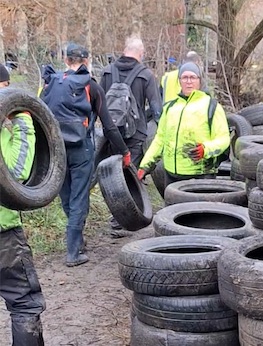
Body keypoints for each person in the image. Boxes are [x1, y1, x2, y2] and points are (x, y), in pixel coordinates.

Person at [40, 43, 130, 266]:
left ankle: (77, 241)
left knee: (67, 196)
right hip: (81, 148)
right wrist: (125, 151)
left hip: (55, 149)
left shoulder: (50, 82)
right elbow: (109, 127)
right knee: (79, 197)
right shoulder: (90, 85)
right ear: (87, 61)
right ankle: (73, 253)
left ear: (66, 60)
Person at [0, 63, 46, 345]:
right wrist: (24, 121)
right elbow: (17, 175)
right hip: (3, 234)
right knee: (24, 304)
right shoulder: (8, 135)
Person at [99, 36, 162, 230]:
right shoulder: (145, 75)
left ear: (124, 50)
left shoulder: (107, 71)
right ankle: (124, 220)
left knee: (113, 177)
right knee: (130, 176)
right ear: (140, 54)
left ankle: (116, 218)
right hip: (136, 134)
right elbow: (156, 107)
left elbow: (98, 103)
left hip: (111, 132)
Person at [138, 62, 229, 187]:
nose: (188, 81)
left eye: (193, 77)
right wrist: (145, 165)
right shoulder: (170, 107)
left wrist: (205, 149)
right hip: (171, 175)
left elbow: (223, 139)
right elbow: (160, 139)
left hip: (201, 174)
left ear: (200, 80)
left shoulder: (211, 106)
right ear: (179, 81)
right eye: (184, 77)